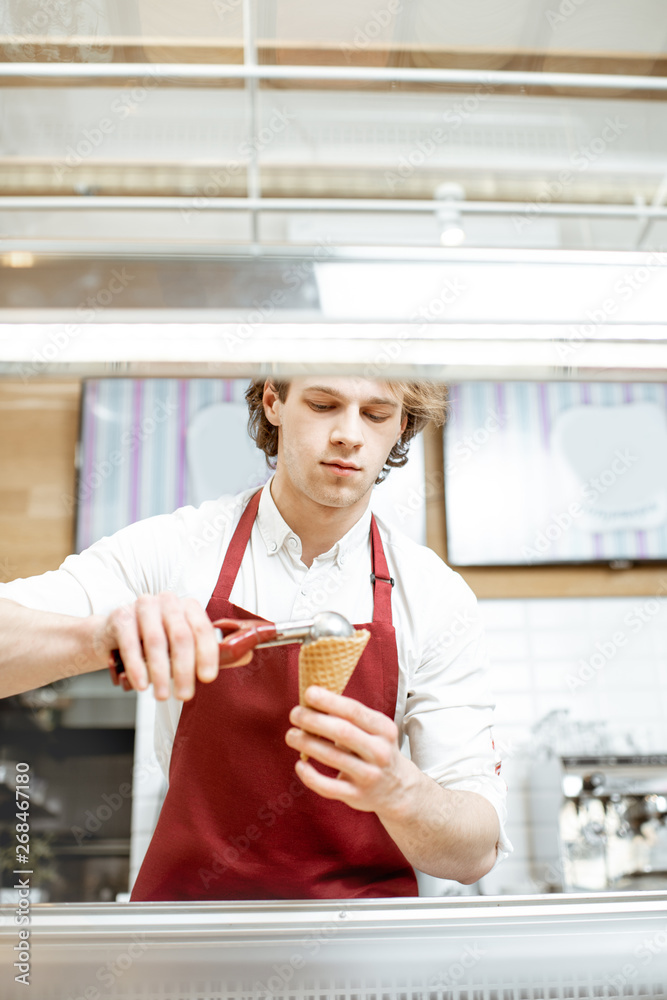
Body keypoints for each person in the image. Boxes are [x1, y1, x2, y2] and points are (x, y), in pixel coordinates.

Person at [0, 376, 511, 900]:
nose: (349, 435)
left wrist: (400, 790)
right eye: (323, 404)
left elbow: (473, 855)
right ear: (273, 401)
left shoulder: (436, 596)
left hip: (362, 957)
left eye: (376, 415)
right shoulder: (176, 548)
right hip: (188, 942)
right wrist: (99, 636)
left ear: (401, 424)